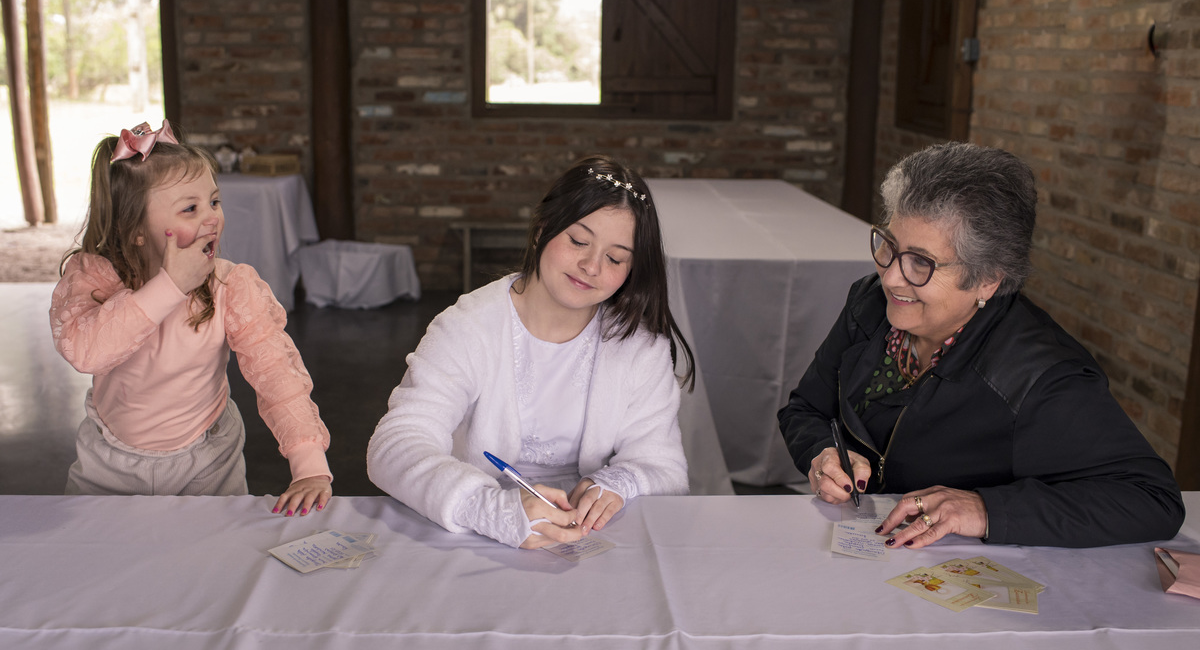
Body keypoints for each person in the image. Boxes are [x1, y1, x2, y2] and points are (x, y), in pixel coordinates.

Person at [778, 141, 1184, 549]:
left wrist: (985, 508)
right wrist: (822, 454)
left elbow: (1153, 500)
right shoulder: (868, 305)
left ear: (988, 279)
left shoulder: (1040, 376)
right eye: (889, 245)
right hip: (872, 556)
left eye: (921, 261)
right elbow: (806, 409)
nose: (890, 277)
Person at [367, 156, 693, 549]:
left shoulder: (639, 344)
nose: (591, 266)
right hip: (474, 532)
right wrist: (491, 509)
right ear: (542, 230)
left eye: (615, 258)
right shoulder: (468, 325)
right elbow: (394, 446)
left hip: (592, 538)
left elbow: (665, 467)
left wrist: (617, 483)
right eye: (578, 241)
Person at [50, 120, 332, 516]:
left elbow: (277, 374)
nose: (211, 218)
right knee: (97, 556)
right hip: (110, 464)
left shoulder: (231, 286)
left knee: (211, 561)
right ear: (136, 231)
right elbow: (86, 352)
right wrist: (169, 285)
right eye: (191, 208)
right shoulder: (95, 277)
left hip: (208, 461)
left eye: (214, 202)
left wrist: (309, 466)